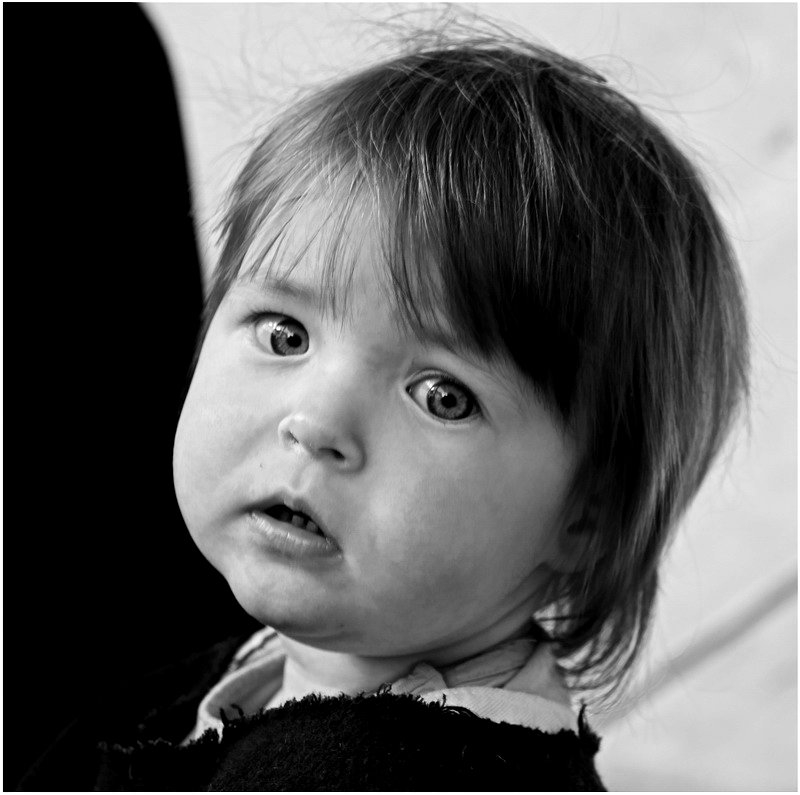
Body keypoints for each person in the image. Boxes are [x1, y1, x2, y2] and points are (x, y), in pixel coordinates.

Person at [19, 31, 749, 792]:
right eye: (285, 334)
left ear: (586, 517)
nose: (316, 424)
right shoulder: (292, 674)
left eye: (441, 396)